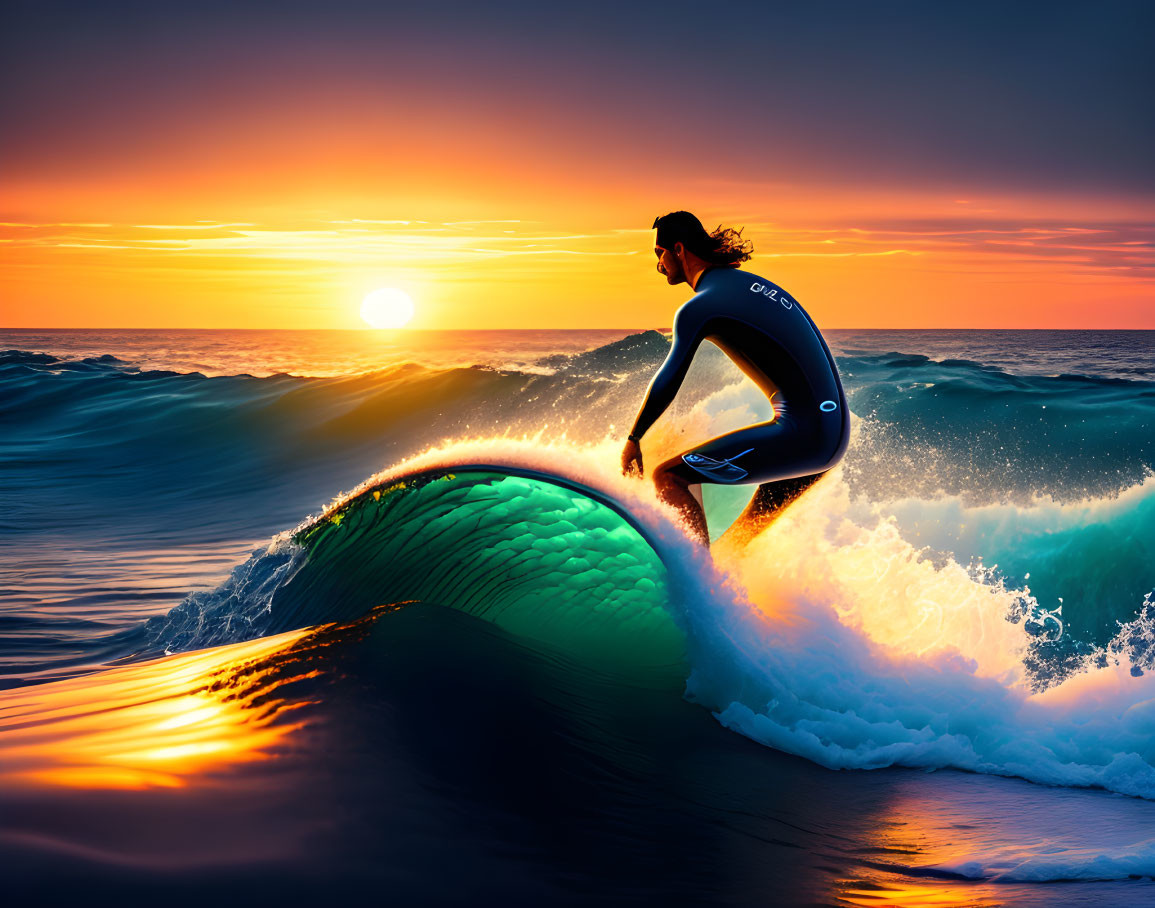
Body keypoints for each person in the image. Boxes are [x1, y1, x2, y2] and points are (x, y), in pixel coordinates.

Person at [621, 211, 849, 546]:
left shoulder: (701, 307)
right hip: (831, 438)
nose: (658, 264)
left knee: (668, 477)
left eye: (660, 253)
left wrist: (634, 438)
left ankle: (695, 591)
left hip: (806, 439)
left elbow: (670, 376)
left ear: (679, 250)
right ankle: (723, 590)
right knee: (734, 546)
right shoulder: (749, 286)